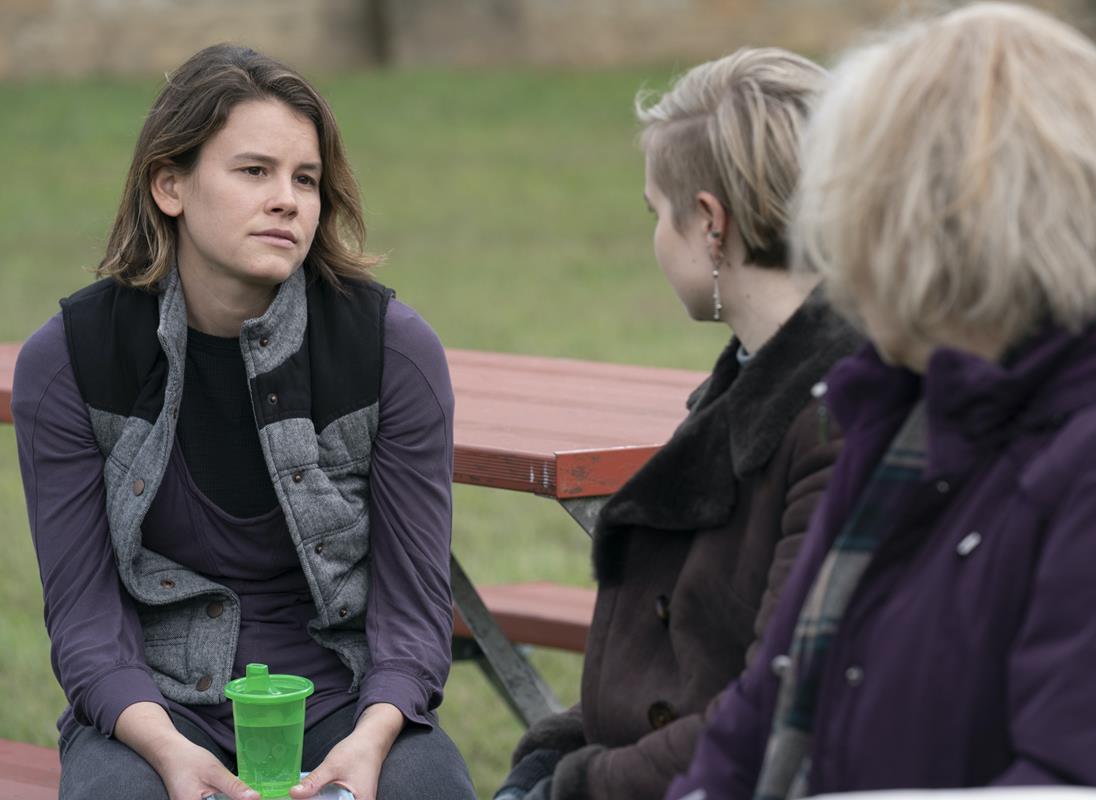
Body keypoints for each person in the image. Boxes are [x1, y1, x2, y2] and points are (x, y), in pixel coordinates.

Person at [666, 4, 1096, 798]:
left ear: (923, 225)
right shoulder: (909, 404)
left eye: (844, 207)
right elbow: (765, 708)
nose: (829, 251)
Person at [12, 44, 474, 800]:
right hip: (154, 708)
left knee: (429, 787)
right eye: (254, 172)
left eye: (306, 179)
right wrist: (164, 749)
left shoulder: (393, 351)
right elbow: (86, 621)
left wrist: (374, 735)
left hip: (344, 702)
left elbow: (414, 610)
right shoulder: (69, 361)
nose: (287, 199)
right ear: (170, 184)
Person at [493, 48, 861, 800]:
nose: (656, 238)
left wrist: (568, 787)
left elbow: (772, 717)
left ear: (709, 223)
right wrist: (551, 761)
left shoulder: (839, 420)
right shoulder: (757, 386)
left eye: (657, 214)